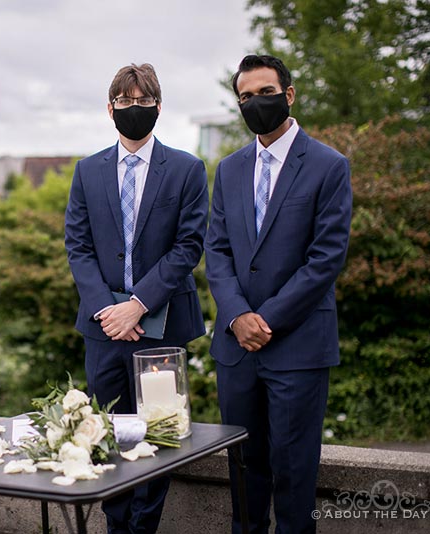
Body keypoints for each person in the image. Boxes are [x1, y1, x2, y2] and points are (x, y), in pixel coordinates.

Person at [205, 54, 353, 534]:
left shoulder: (329, 165)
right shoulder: (228, 169)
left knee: (294, 477)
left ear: (288, 95)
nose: (255, 103)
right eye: (245, 97)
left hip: (297, 347)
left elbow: (325, 258)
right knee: (244, 476)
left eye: (264, 93)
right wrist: (236, 317)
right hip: (236, 350)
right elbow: (218, 251)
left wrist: (263, 320)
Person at [64, 63, 209, 534]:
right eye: (124, 102)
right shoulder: (87, 171)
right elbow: (78, 246)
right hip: (104, 326)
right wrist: (109, 309)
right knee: (108, 432)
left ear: (158, 107)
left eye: (142, 101)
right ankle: (116, 526)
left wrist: (138, 304)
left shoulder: (187, 168)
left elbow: (189, 245)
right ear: (110, 109)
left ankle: (146, 527)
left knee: (159, 431)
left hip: (161, 322)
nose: (133, 109)